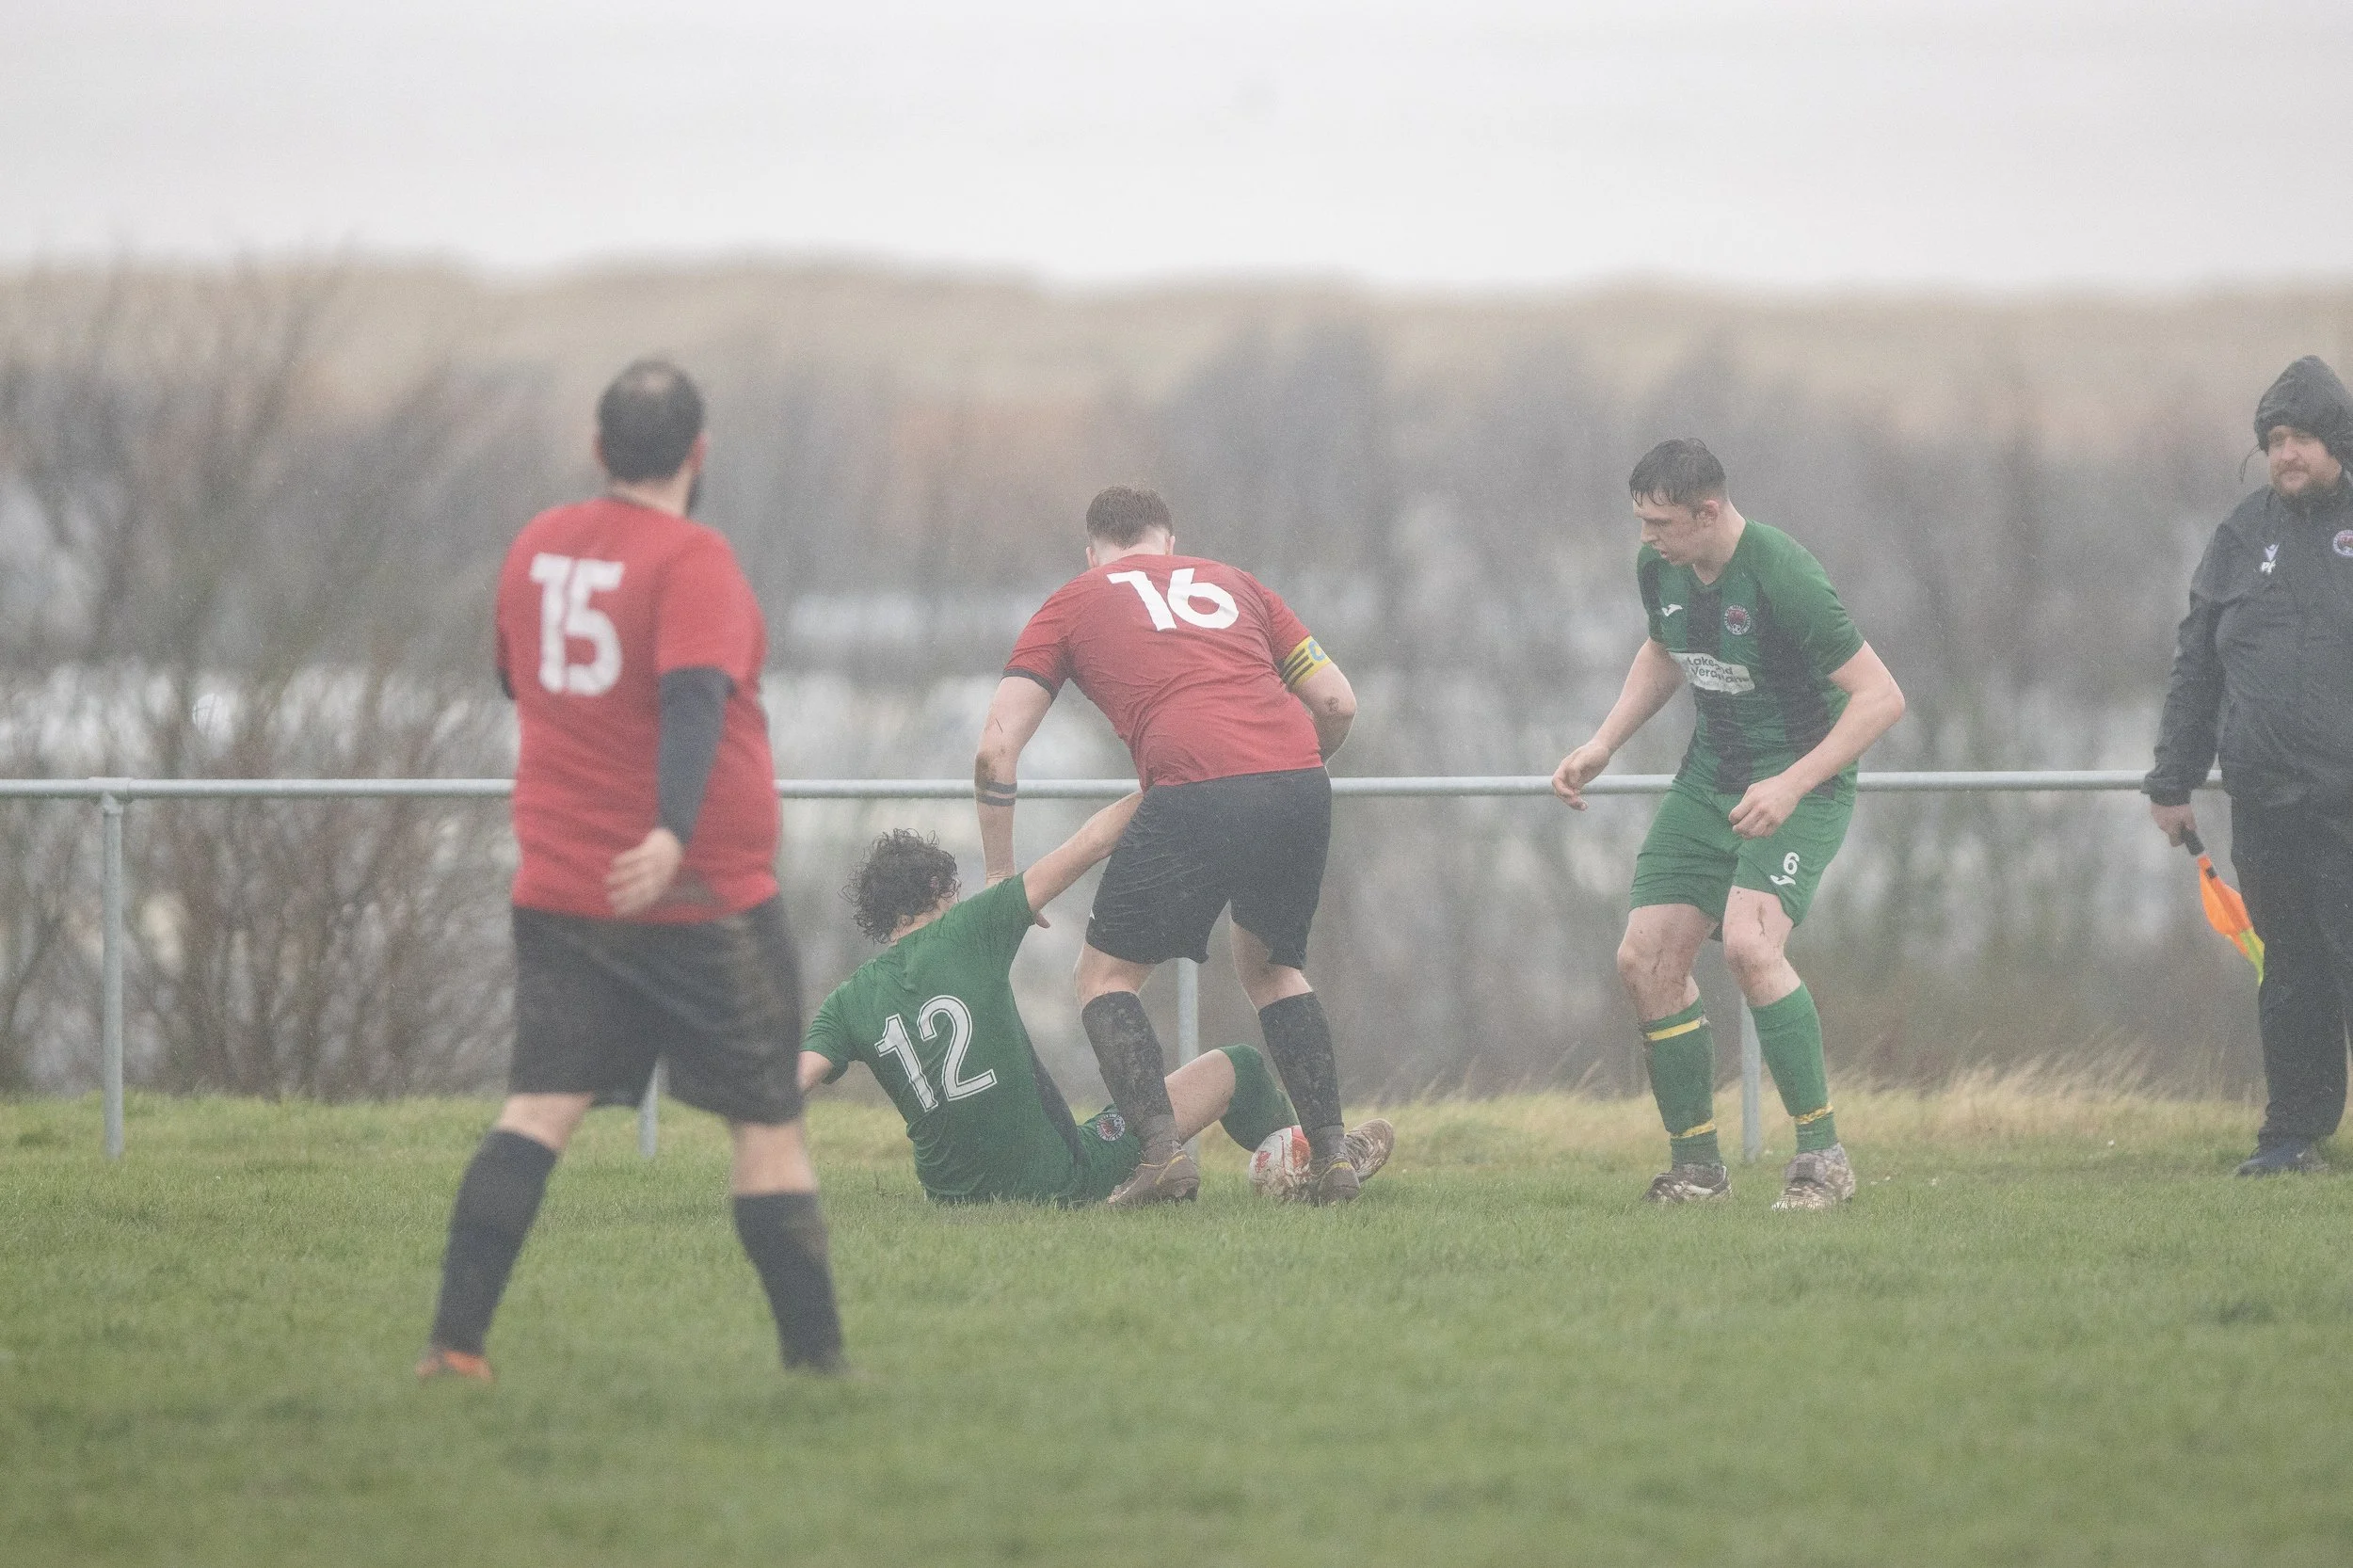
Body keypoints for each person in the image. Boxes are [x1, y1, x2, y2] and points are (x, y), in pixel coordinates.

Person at [418, 360, 844, 1382]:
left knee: (538, 1109)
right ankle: (818, 1371)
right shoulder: (692, 560)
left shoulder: (536, 547)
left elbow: (511, 680)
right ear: (698, 455)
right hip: (702, 896)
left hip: (564, 889)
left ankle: (456, 1348)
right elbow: (695, 698)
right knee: (768, 1129)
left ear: (600, 450)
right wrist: (667, 832)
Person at [975, 486, 1366, 1207]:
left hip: (1192, 786)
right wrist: (1299, 767)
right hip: (1297, 782)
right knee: (1274, 971)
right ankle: (1334, 1156)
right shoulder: (1238, 583)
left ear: (1092, 553)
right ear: (1170, 543)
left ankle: (1161, 1154)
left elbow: (997, 747)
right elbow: (1337, 702)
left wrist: (1003, 873)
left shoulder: (1074, 600)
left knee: (1104, 980)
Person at [1552, 439, 1905, 1208]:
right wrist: (1603, 743)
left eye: (1662, 523)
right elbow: (1664, 650)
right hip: (1710, 781)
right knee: (1644, 961)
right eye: (1641, 521)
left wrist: (1791, 782)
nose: (1647, 538)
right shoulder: (1660, 568)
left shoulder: (1785, 575)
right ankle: (1698, 1169)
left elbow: (1881, 697)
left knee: (1749, 946)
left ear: (1708, 511)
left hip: (1800, 786)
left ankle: (1822, 1160)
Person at [799, 809, 1394, 1205]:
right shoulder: (972, 930)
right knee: (1237, 1065)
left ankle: (1293, 1160)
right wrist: (1185, 778)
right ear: (939, 892)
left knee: (1109, 1117)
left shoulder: (846, 1004)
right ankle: (1314, 1162)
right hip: (1061, 1180)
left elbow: (788, 1084)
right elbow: (1094, 841)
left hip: (954, 1200)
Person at [2146, 355, 2353, 1176]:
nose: (2285, 454)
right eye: (2273, 440)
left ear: (2335, 439)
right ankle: (2293, 1134)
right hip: (2268, 806)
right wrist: (2172, 779)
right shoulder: (2241, 535)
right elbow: (2196, 663)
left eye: (2299, 437)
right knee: (2292, 972)